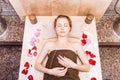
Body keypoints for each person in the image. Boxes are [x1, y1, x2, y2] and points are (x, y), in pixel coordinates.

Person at [35, 15, 90, 80]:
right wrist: (50, 71)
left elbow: (87, 67)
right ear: (55, 29)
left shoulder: (76, 45)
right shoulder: (49, 45)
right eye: (59, 25)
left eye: (65, 25)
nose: (62, 28)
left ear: (70, 28)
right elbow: (37, 65)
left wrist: (73, 65)